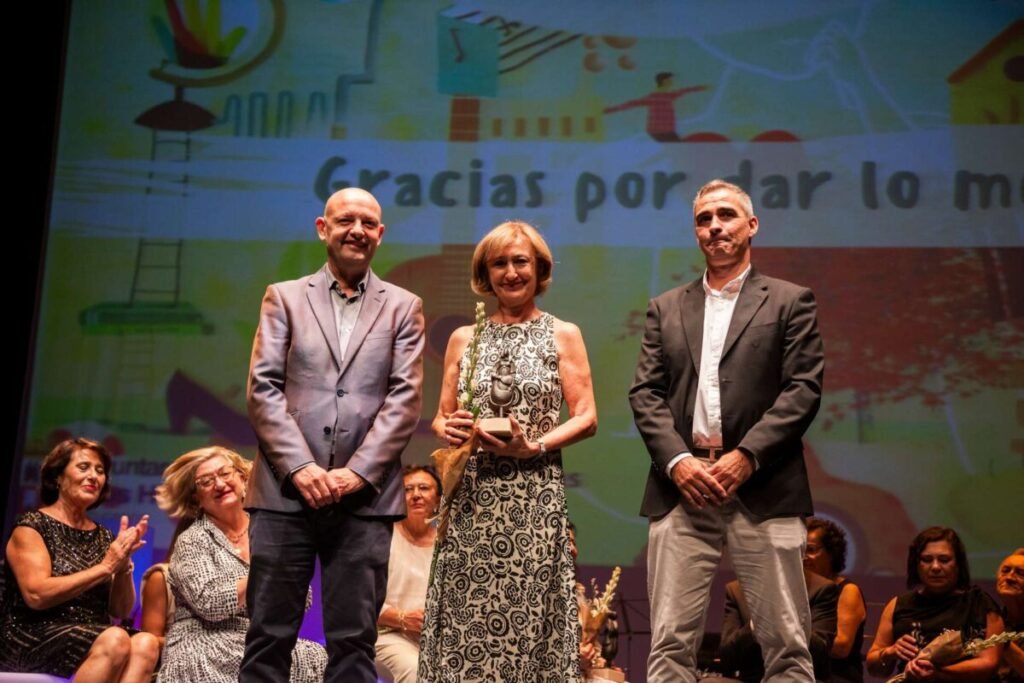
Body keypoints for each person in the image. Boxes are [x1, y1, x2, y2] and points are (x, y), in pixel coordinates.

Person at [629, 179, 825, 683]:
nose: (714, 226)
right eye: (704, 219)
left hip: (765, 485)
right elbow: (645, 394)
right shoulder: (666, 307)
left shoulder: (790, 301)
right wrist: (678, 462)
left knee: (786, 644)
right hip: (683, 488)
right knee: (669, 644)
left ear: (752, 225)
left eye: (726, 215)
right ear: (696, 232)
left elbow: (803, 389)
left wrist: (747, 456)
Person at [242, 187, 425, 683]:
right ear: (323, 229)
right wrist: (301, 468)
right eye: (346, 220)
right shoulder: (284, 296)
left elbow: (405, 399)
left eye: (368, 223)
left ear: (380, 235)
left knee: (354, 641)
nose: (357, 231)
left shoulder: (404, 306)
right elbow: (263, 388)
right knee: (268, 634)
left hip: (364, 500)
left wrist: (356, 473)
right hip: (284, 494)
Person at [419, 220, 598, 682]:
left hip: (533, 496)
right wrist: (449, 427)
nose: (511, 272)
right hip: (471, 501)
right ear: (485, 274)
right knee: (467, 620)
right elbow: (440, 416)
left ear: (539, 269)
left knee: (529, 618)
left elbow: (586, 417)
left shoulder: (563, 333)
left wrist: (533, 446)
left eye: (521, 261)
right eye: (499, 263)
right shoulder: (465, 337)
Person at [154, 446, 326, 682]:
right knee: (246, 658)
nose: (219, 484)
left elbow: (301, 599)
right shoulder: (192, 540)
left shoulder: (268, 531)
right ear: (195, 497)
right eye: (206, 482)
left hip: (259, 634)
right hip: (202, 639)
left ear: (243, 477)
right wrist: (263, 570)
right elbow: (211, 603)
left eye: (225, 473)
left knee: (315, 655)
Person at [0, 437, 159, 682]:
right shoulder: (32, 527)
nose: (94, 476)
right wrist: (105, 567)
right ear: (58, 477)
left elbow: (121, 610)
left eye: (100, 471)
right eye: (84, 467)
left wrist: (123, 566)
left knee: (146, 643)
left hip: (95, 633)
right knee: (115, 638)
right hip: (31, 633)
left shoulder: (104, 536)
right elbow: (36, 595)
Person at [866, 526, 1003, 682]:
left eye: (944, 560)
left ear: (958, 564)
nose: (935, 567)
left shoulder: (979, 603)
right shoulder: (898, 605)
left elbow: (989, 663)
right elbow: (873, 668)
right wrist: (890, 652)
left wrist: (939, 673)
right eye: (927, 560)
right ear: (916, 564)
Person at [374, 466, 440, 683]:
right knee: (415, 671)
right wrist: (402, 617)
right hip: (387, 635)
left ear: (438, 499)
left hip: (437, 639)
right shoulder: (381, 538)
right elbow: (359, 599)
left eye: (424, 488)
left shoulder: (448, 544)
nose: (416, 495)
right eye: (408, 489)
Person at [718, 570, 839, 681]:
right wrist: (756, 624)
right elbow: (727, 656)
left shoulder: (821, 588)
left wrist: (785, 618)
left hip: (801, 677)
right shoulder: (736, 590)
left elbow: (821, 651)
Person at [803, 518, 866, 683]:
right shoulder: (798, 589)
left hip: (836, 677)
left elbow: (841, 648)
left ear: (831, 553)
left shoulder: (848, 590)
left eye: (810, 550)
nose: (803, 557)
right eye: (800, 550)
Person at [603, 71, 709, 142]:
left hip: (664, 131)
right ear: (665, 81)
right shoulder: (654, 97)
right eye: (670, 80)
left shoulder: (669, 96)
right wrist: (609, 110)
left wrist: (700, 87)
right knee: (679, 149)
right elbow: (631, 104)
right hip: (660, 131)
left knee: (678, 149)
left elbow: (684, 91)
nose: (672, 82)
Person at [995, 548, 1024, 682]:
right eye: (1005, 571)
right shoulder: (989, 621)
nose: (1009, 578)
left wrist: (1001, 642)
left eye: (1021, 573)